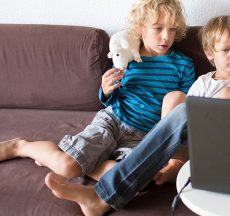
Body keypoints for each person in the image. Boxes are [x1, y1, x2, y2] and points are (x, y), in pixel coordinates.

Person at [42, 15, 230, 216]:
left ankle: (102, 195)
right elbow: (186, 112)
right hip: (195, 139)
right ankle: (167, 164)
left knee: (229, 95)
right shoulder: (203, 81)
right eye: (226, 49)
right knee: (175, 98)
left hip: (226, 140)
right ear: (210, 54)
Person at [0, 0, 195, 184]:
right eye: (158, 28)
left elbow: (183, 111)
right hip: (114, 121)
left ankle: (83, 160)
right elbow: (110, 100)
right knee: (67, 167)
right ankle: (20, 146)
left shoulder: (183, 65)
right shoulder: (127, 57)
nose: (166, 37)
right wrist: (107, 90)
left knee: (136, 182)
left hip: (144, 136)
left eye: (172, 29)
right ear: (140, 27)